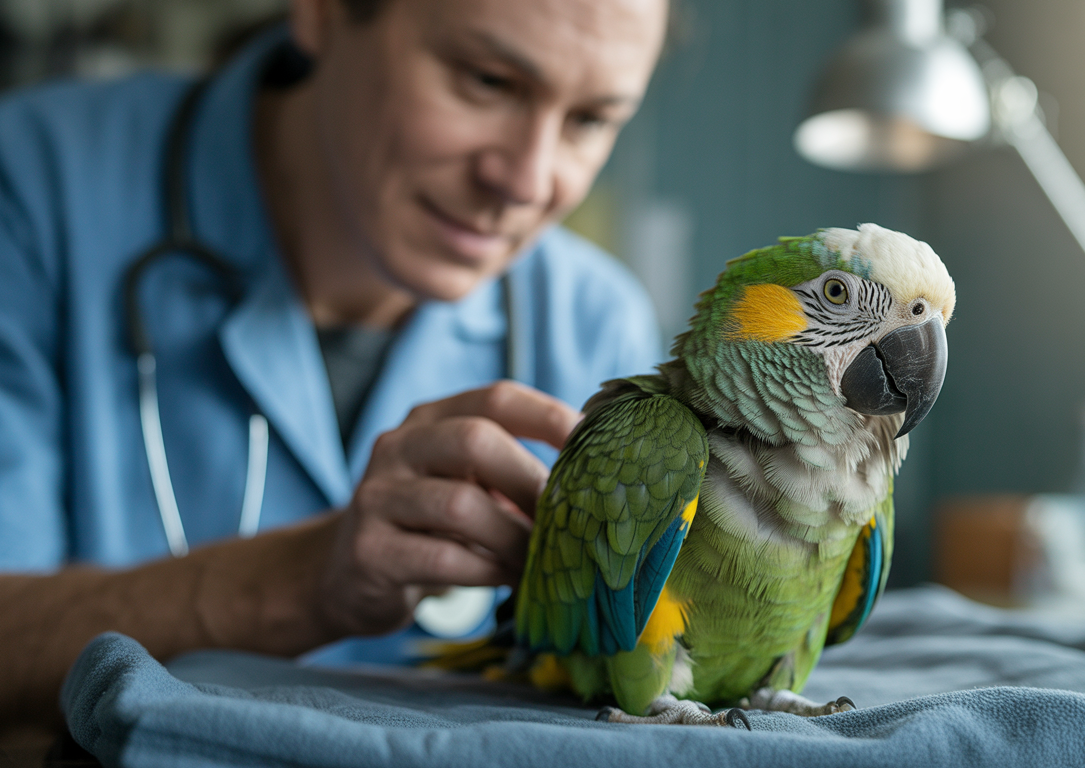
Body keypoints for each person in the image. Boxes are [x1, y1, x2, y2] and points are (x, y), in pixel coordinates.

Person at [0, 0, 669, 734]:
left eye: (590, 121)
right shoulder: (32, 189)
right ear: (320, 12)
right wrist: (300, 583)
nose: (528, 181)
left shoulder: (594, 325)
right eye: (487, 81)